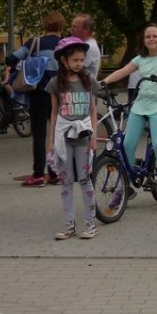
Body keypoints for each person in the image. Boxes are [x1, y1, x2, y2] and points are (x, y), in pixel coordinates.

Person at [101, 23, 157, 208]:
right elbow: (122, 71)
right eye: (148, 36)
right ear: (143, 41)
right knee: (126, 144)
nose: (151, 39)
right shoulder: (140, 59)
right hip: (141, 105)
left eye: (155, 36)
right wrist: (103, 82)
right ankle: (125, 188)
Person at [46, 37, 100, 240]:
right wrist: (51, 141)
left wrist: (94, 136)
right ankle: (69, 225)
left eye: (82, 59)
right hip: (63, 136)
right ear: (63, 60)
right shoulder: (55, 84)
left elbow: (93, 110)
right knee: (66, 180)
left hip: (84, 136)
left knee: (85, 179)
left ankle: (90, 223)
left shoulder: (88, 81)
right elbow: (53, 113)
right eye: (75, 60)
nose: (80, 63)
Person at [7, 11, 65, 187]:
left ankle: (39, 175)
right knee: (57, 134)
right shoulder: (64, 44)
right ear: (62, 26)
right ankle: (55, 173)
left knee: (39, 135)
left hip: (38, 93)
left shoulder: (35, 42)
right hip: (60, 94)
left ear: (45, 25)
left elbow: (12, 59)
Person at [70, 13, 102, 79]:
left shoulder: (89, 47)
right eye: (72, 26)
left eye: (75, 27)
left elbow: (72, 70)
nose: (71, 29)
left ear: (87, 29)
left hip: (82, 88)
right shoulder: (84, 44)